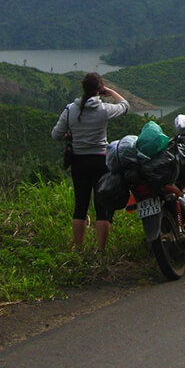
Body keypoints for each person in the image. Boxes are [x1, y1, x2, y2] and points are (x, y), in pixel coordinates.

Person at [52, 72, 130, 250]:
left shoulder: (71, 109)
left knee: (80, 206)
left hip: (79, 162)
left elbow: (55, 134)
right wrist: (110, 91)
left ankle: (79, 248)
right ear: (99, 89)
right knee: (101, 207)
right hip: (101, 161)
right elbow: (125, 106)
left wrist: (70, 136)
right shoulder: (103, 109)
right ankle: (100, 250)